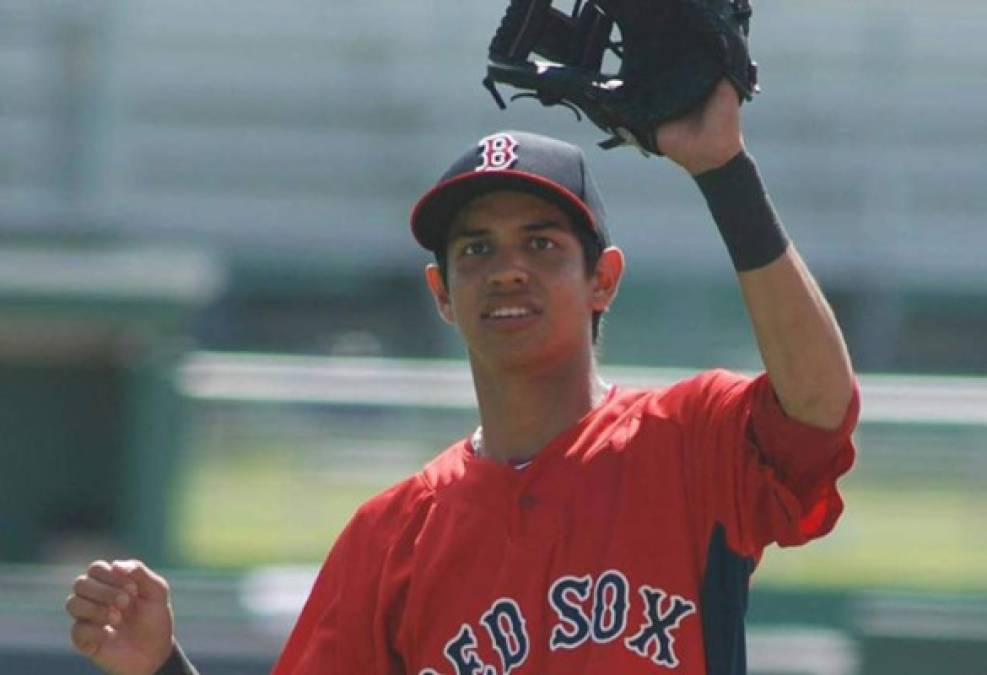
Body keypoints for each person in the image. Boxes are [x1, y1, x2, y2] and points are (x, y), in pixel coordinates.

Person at [65, 80, 859, 674]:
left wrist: (723, 170)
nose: (506, 270)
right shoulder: (392, 535)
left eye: (542, 243)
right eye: (475, 249)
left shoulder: (688, 439)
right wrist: (161, 666)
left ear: (603, 279)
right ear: (441, 292)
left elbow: (819, 406)